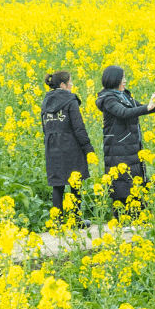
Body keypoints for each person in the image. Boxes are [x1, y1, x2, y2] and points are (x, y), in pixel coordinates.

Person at [95, 65, 155, 217]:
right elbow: (124, 113)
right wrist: (148, 108)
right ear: (114, 79)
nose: (125, 81)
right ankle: (122, 218)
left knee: (136, 179)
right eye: (122, 78)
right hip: (118, 147)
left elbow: (139, 107)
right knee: (122, 182)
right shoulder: (108, 99)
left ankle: (139, 216)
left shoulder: (124, 95)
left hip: (131, 145)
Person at [41, 70, 96, 225]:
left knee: (57, 185)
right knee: (75, 182)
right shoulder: (70, 100)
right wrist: (87, 148)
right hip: (70, 144)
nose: (72, 85)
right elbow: (78, 127)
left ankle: (57, 222)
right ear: (63, 85)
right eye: (70, 82)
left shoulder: (46, 101)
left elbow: (45, 127)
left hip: (52, 145)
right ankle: (76, 220)